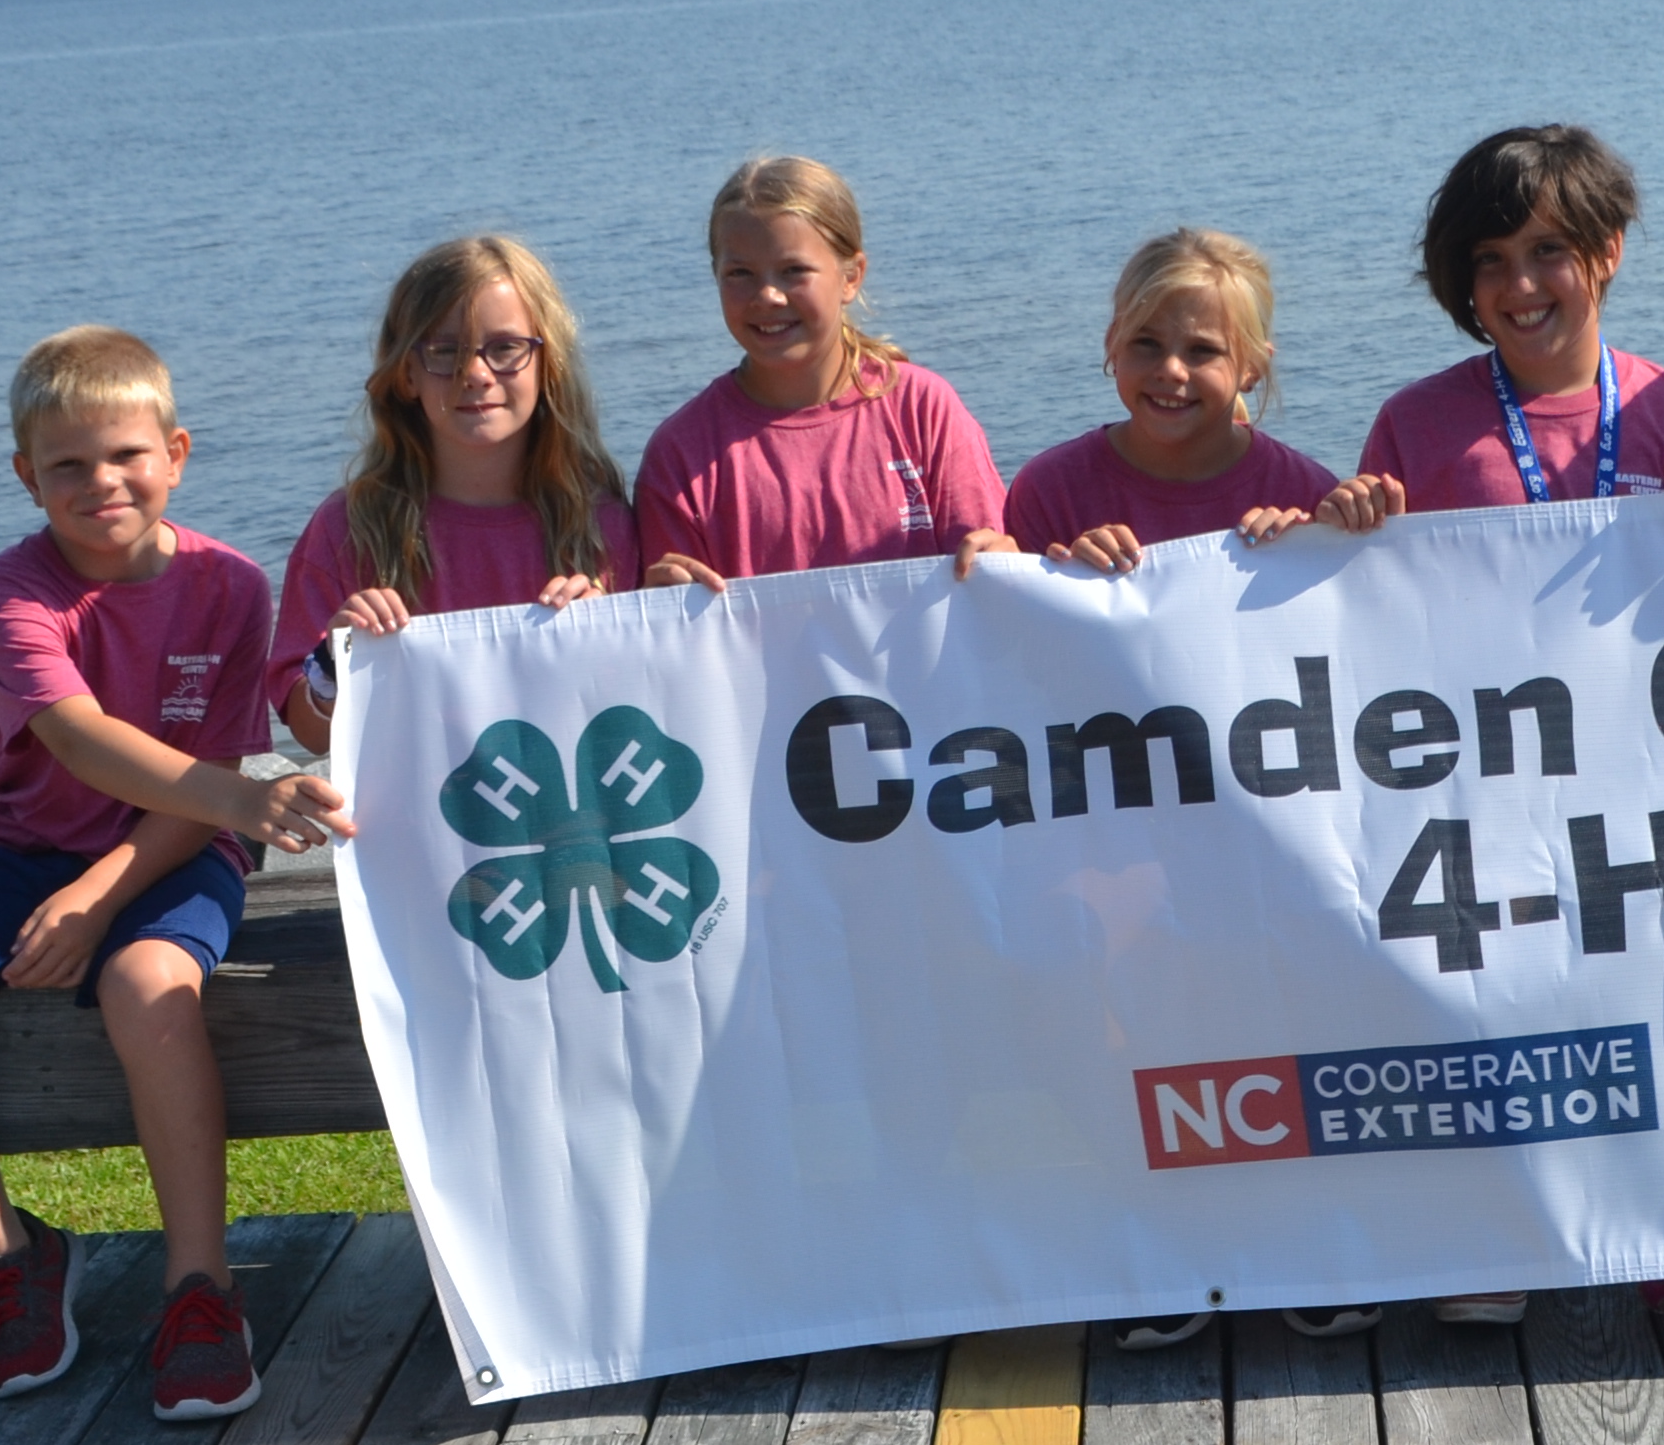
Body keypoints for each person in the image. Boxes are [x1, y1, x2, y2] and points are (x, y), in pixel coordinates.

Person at [0, 327, 354, 1422]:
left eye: (125, 455)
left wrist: (104, 893)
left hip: (175, 853)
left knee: (145, 987)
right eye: (66, 465)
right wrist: (229, 808)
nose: (100, 483)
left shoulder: (228, 584)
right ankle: (10, 1255)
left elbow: (199, 779)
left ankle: (199, 1290)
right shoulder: (13, 591)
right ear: (26, 476)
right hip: (10, 850)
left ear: (176, 452)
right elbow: (77, 741)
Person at [1297, 120, 1664, 1325]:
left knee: (1658, 994)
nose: (1518, 285)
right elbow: (1360, 616)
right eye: (1489, 260)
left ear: (1604, 254)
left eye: (1547, 250)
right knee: (1499, 994)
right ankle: (1502, 1229)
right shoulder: (1419, 422)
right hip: (1488, 776)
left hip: (1649, 771)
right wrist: (1349, 527)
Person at [1003, 228, 1351, 1348]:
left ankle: (1301, 1238)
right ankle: (1169, 1243)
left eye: (1202, 350)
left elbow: (1362, 646)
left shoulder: (1296, 486)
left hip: (1251, 826)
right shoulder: (1053, 486)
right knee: (1122, 1024)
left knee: (1274, 1014)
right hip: (1105, 826)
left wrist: (1318, 550)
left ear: (1252, 364)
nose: (1170, 372)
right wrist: (1050, 574)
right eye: (1145, 344)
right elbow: (994, 655)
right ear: (1108, 349)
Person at [273, 235, 635, 758]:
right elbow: (312, 736)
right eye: (446, 352)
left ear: (547, 361)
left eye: (506, 348)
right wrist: (334, 664)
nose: (476, 374)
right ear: (407, 374)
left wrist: (615, 639)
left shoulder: (602, 523)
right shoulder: (348, 528)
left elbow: (645, 704)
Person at [635, 154, 1017, 589]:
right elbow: (678, 638)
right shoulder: (681, 454)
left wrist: (1002, 558)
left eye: (794, 271)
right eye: (740, 273)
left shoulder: (922, 410)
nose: (768, 296)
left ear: (851, 276)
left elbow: (986, 575)